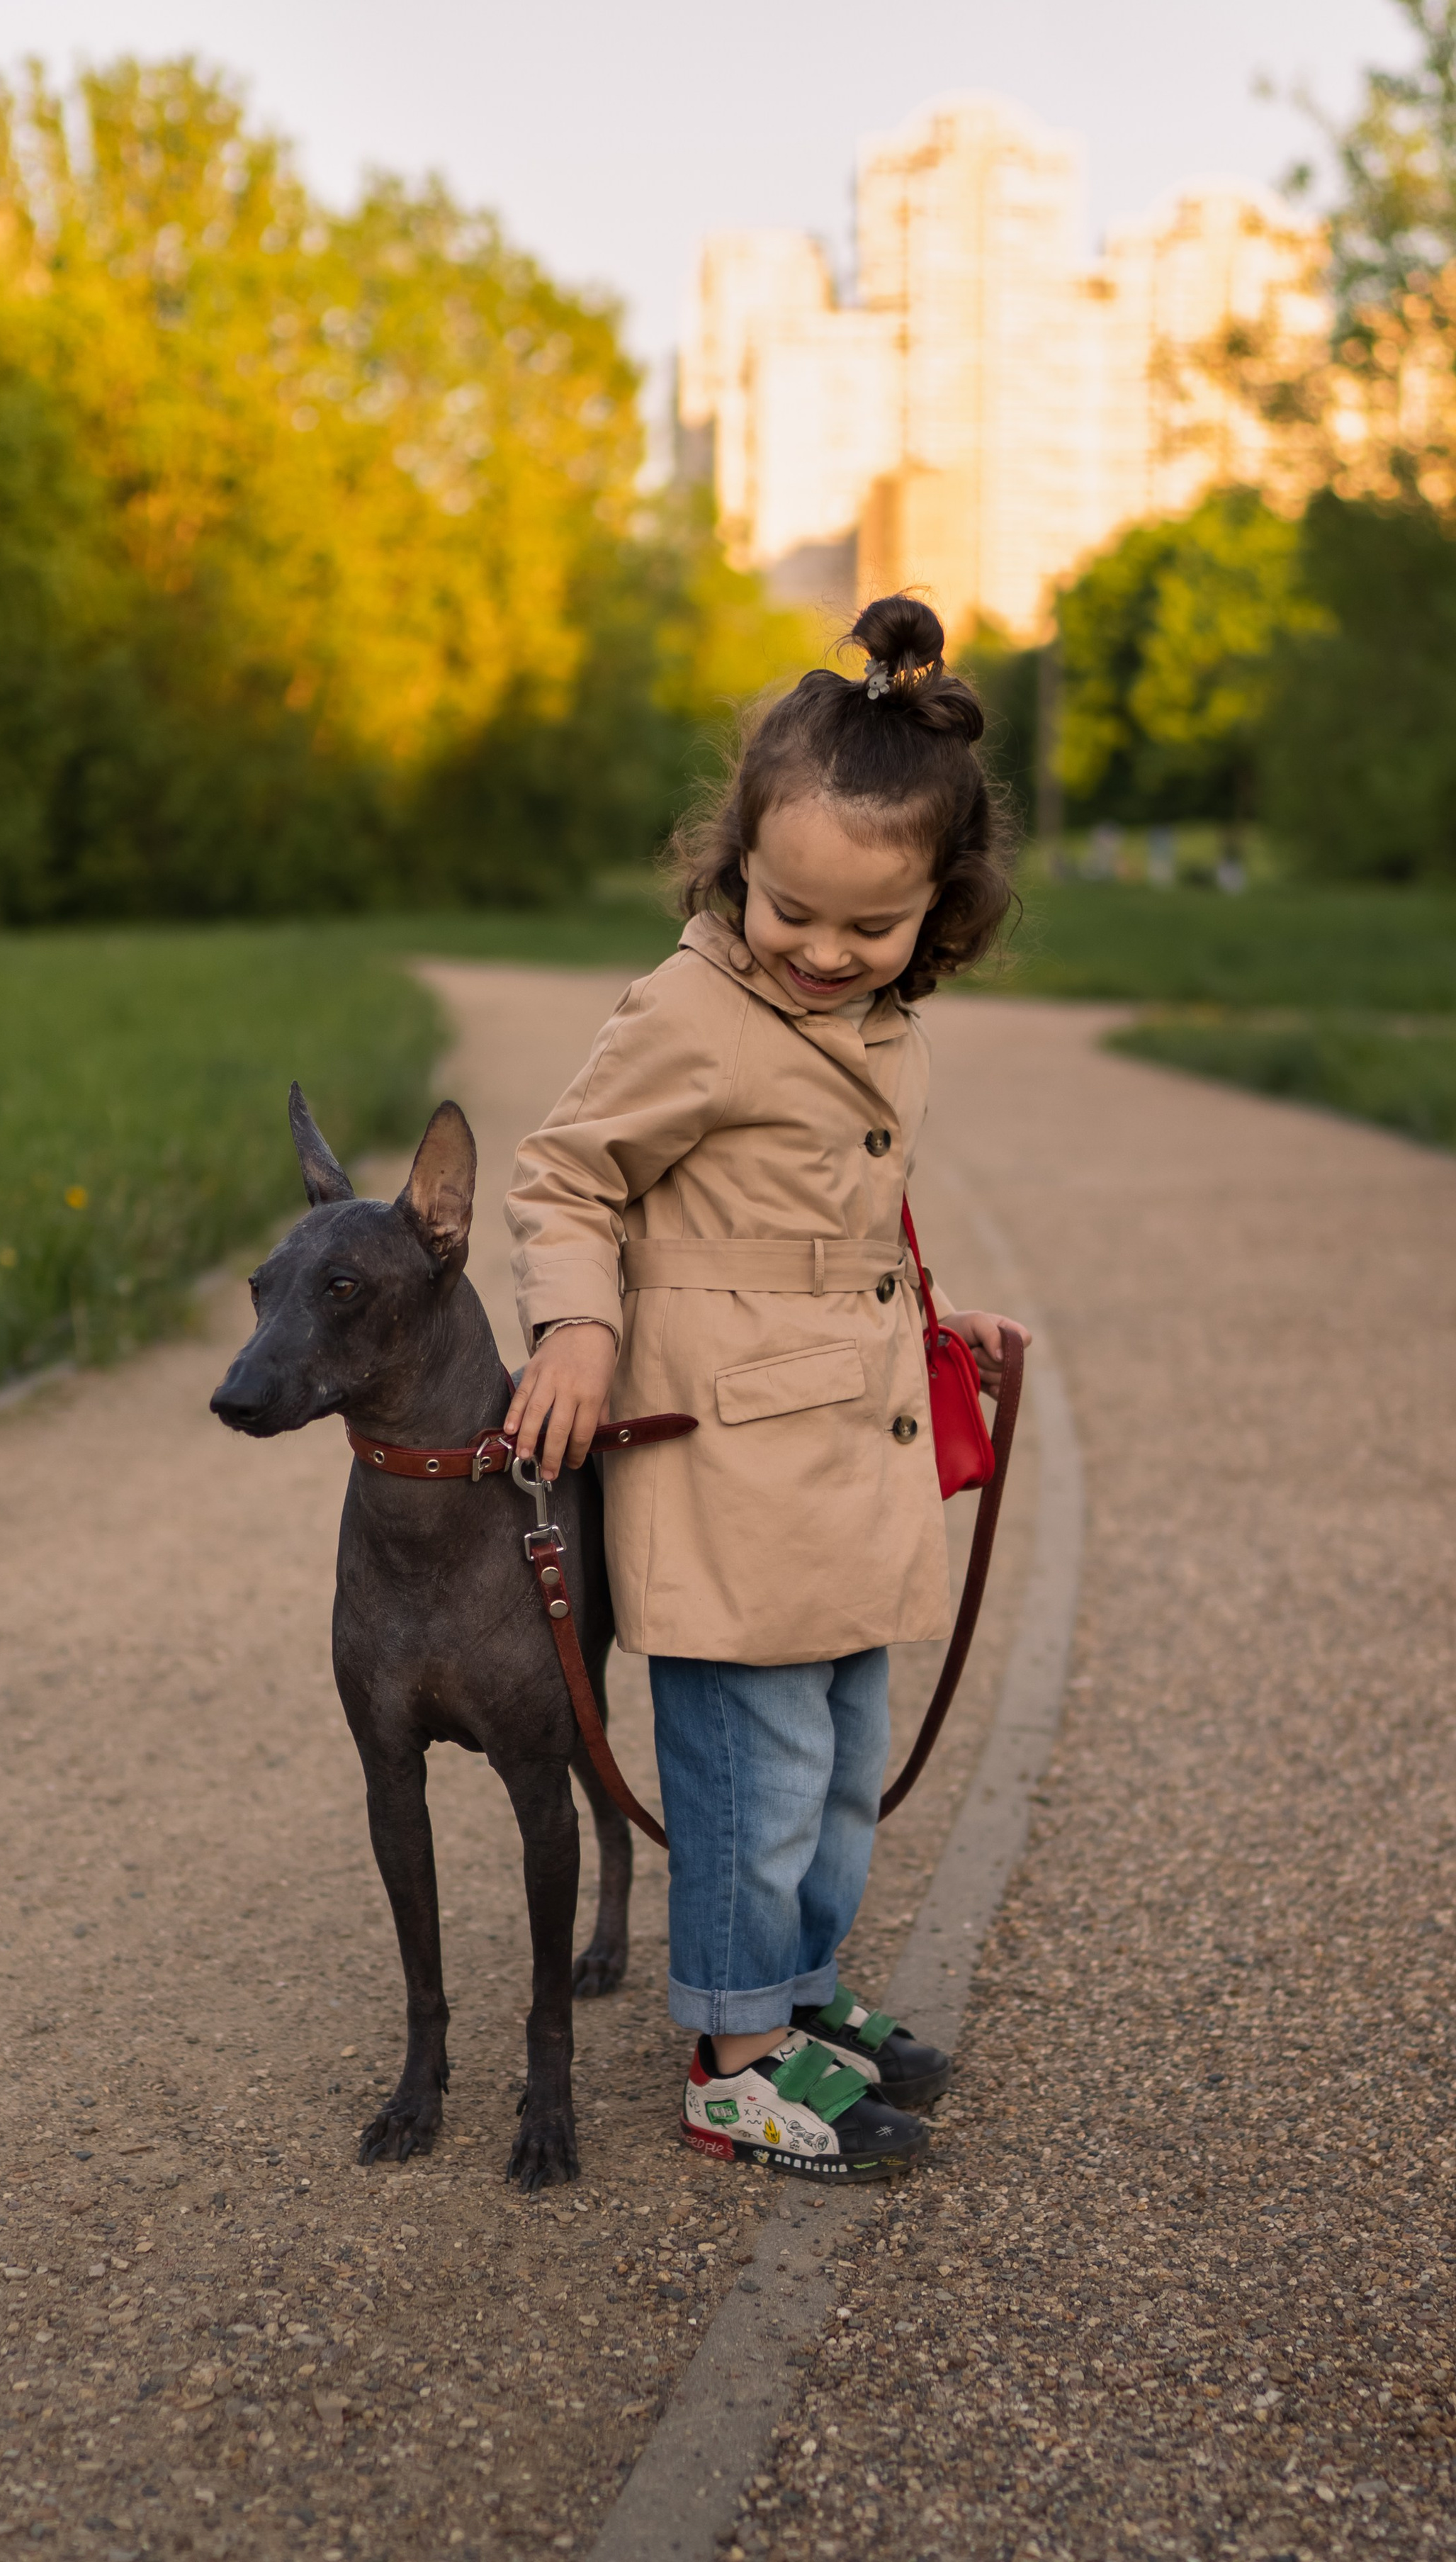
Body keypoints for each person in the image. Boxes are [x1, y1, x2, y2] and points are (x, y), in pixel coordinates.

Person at [502, 593, 1031, 2181]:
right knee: (752, 1769)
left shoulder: (873, 1019)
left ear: (939, 912)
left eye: (863, 929)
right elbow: (562, 1176)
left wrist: (939, 1317)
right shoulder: (689, 1013)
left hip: (837, 1450)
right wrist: (574, 1331)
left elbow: (828, 1220)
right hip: (730, 1472)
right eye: (781, 907)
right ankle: (732, 2055)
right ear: (733, 860)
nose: (813, 949)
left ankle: (792, 1995)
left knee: (842, 1765)